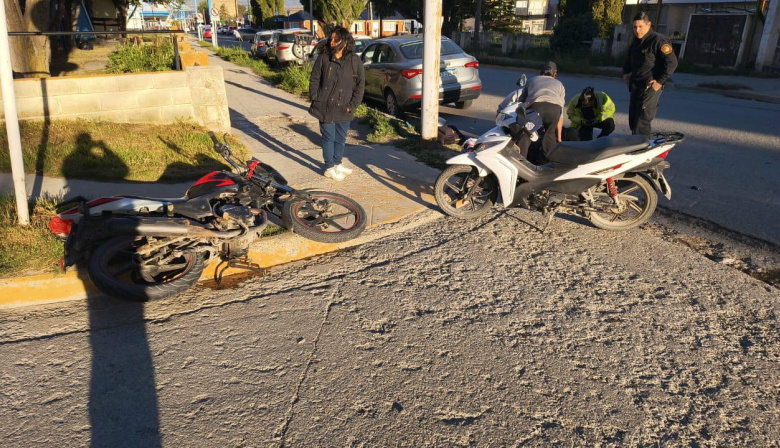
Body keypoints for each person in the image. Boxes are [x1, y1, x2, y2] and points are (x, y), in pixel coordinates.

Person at [308, 26, 366, 181]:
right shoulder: (324, 57)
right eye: (331, 38)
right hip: (325, 106)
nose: (332, 42)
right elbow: (314, 78)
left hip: (344, 107)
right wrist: (315, 97)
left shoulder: (354, 60)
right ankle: (329, 167)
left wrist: (352, 105)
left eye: (336, 39)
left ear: (345, 41)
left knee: (341, 138)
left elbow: (360, 84)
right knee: (328, 138)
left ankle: (338, 163)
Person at [623, 11, 678, 136]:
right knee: (633, 120)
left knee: (641, 121)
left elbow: (672, 63)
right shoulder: (636, 42)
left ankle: (642, 149)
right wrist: (625, 73)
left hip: (650, 86)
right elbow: (629, 60)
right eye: (635, 27)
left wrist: (659, 82)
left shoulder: (658, 41)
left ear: (649, 25)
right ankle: (635, 145)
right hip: (635, 85)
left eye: (640, 26)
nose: (637, 30)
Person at [518, 61, 566, 155]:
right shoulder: (560, 84)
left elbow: (521, 101)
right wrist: (559, 137)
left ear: (541, 72)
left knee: (527, 134)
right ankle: (551, 164)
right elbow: (560, 115)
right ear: (554, 74)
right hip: (554, 110)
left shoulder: (532, 80)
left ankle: (520, 161)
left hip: (536, 107)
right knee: (550, 136)